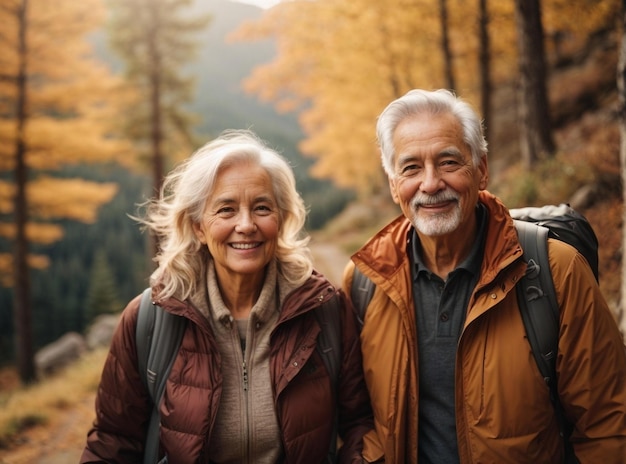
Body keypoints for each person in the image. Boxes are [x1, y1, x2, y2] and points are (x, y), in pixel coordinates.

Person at [343, 88, 626, 463]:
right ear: (394, 183)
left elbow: (607, 425)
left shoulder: (556, 270)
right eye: (411, 167)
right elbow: (355, 416)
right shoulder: (365, 281)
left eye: (448, 162)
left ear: (481, 169)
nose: (430, 184)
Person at [80, 129, 373, 463]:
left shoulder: (326, 311)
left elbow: (359, 425)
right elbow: (113, 441)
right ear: (198, 227)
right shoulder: (150, 318)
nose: (246, 225)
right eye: (226, 210)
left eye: (262, 207)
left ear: (281, 219)